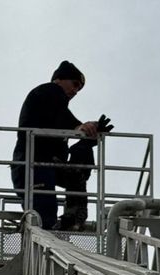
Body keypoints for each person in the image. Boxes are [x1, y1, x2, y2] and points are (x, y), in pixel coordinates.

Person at [11, 61, 111, 230]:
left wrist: (89, 137)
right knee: (43, 218)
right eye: (74, 85)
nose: (75, 91)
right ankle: (47, 239)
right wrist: (79, 127)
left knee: (76, 172)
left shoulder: (56, 105)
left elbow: (61, 118)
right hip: (33, 166)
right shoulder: (50, 91)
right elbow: (62, 117)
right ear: (59, 79)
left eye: (78, 89)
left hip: (46, 165)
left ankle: (72, 216)